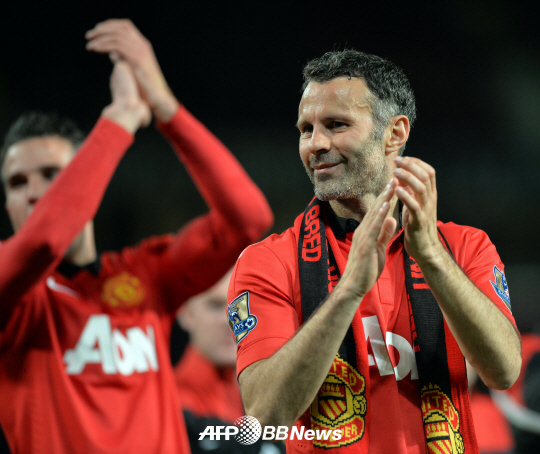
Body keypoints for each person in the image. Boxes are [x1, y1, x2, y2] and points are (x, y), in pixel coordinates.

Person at [228, 50, 521, 454]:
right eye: (306, 129)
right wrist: (348, 290)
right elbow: (264, 417)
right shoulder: (268, 261)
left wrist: (432, 258)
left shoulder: (465, 247)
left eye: (336, 125)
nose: (315, 144)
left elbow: (504, 371)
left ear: (395, 133)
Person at [0, 19, 273, 454]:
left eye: (51, 174)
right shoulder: (14, 297)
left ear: (89, 178)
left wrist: (166, 109)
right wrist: (121, 116)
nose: (33, 192)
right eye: (17, 183)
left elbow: (248, 219)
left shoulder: (148, 274)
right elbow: (43, 241)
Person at [175, 271, 285, 454]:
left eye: (240, 306)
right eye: (215, 306)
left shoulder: (271, 396)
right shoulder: (168, 404)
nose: (230, 321)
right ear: (185, 313)